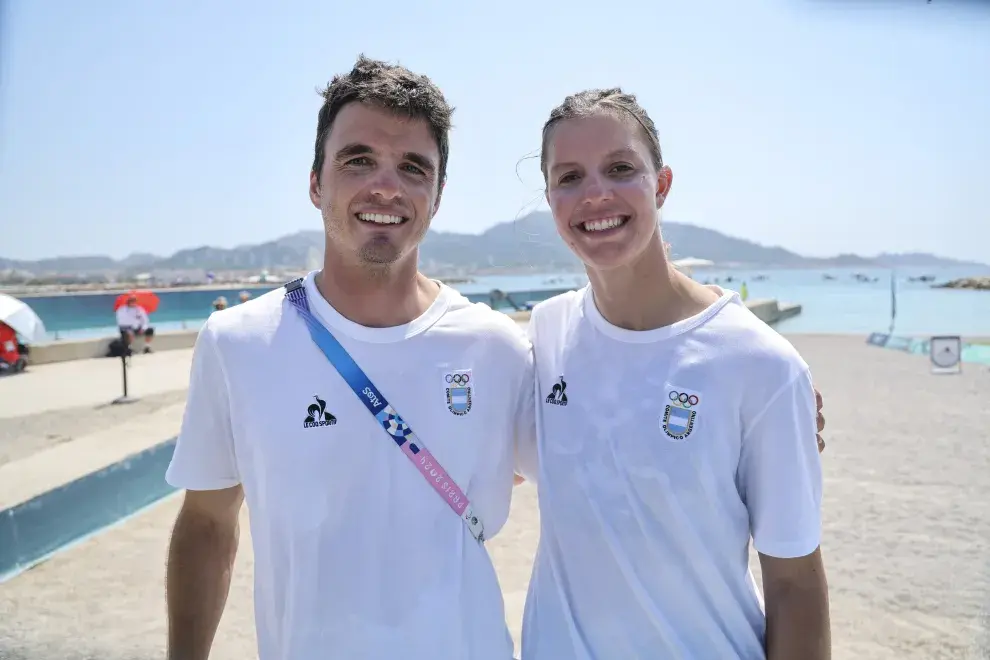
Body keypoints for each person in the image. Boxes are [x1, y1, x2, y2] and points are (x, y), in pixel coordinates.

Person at [163, 56, 534, 660]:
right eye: (358, 160)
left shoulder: (497, 347)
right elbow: (207, 524)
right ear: (315, 182)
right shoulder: (238, 342)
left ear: (437, 197)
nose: (386, 186)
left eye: (413, 168)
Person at [517, 88, 830, 659]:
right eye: (569, 177)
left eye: (620, 168)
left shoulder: (761, 364)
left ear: (660, 184)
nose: (595, 194)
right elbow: (468, 440)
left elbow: (795, 583)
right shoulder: (545, 334)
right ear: (550, 197)